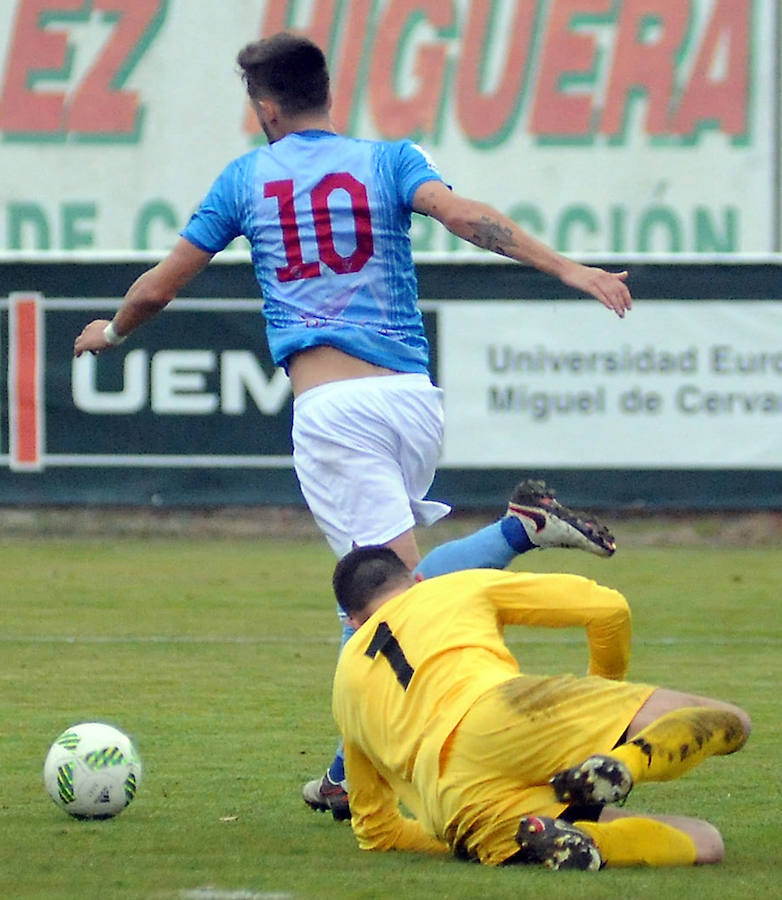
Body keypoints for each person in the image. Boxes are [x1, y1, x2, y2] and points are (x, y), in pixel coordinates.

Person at [72, 32, 629, 814]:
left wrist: (110, 333)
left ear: (264, 106)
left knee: (384, 604)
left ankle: (515, 537)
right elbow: (468, 218)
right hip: (412, 403)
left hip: (336, 414)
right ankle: (345, 770)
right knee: (384, 593)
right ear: (324, 92)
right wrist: (571, 268)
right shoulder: (390, 159)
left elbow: (158, 290)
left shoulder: (245, 180)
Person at [331, 545, 752, 870]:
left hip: (456, 801)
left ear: (351, 620)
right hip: (497, 713)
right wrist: (602, 699)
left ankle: (591, 844)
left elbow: (376, 830)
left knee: (705, 842)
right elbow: (608, 609)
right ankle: (623, 763)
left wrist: (453, 837)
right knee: (732, 721)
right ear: (418, 579)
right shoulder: (448, 587)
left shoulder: (343, 687)